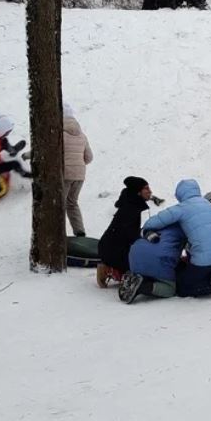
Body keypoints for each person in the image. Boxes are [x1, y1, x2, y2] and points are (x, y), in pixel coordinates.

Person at [134, 179, 211, 299]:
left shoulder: (182, 208)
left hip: (206, 258)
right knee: (195, 270)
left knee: (183, 288)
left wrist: (146, 228)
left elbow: (158, 220)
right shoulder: (209, 205)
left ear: (180, 194)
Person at [97, 176, 155, 288]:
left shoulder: (130, 204)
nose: (150, 191)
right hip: (113, 252)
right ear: (138, 192)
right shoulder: (131, 209)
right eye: (146, 189)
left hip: (107, 248)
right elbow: (130, 236)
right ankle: (109, 269)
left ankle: (110, 267)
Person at [122, 222, 188, 302]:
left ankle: (135, 278)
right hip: (157, 260)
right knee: (170, 289)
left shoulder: (158, 223)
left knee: (150, 264)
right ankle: (142, 287)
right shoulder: (186, 230)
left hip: (134, 255)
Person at [62, 103, 94, 237]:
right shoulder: (82, 135)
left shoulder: (59, 133)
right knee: (72, 202)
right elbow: (89, 157)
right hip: (80, 176)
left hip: (65, 174)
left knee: (59, 204)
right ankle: (80, 232)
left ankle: (56, 234)